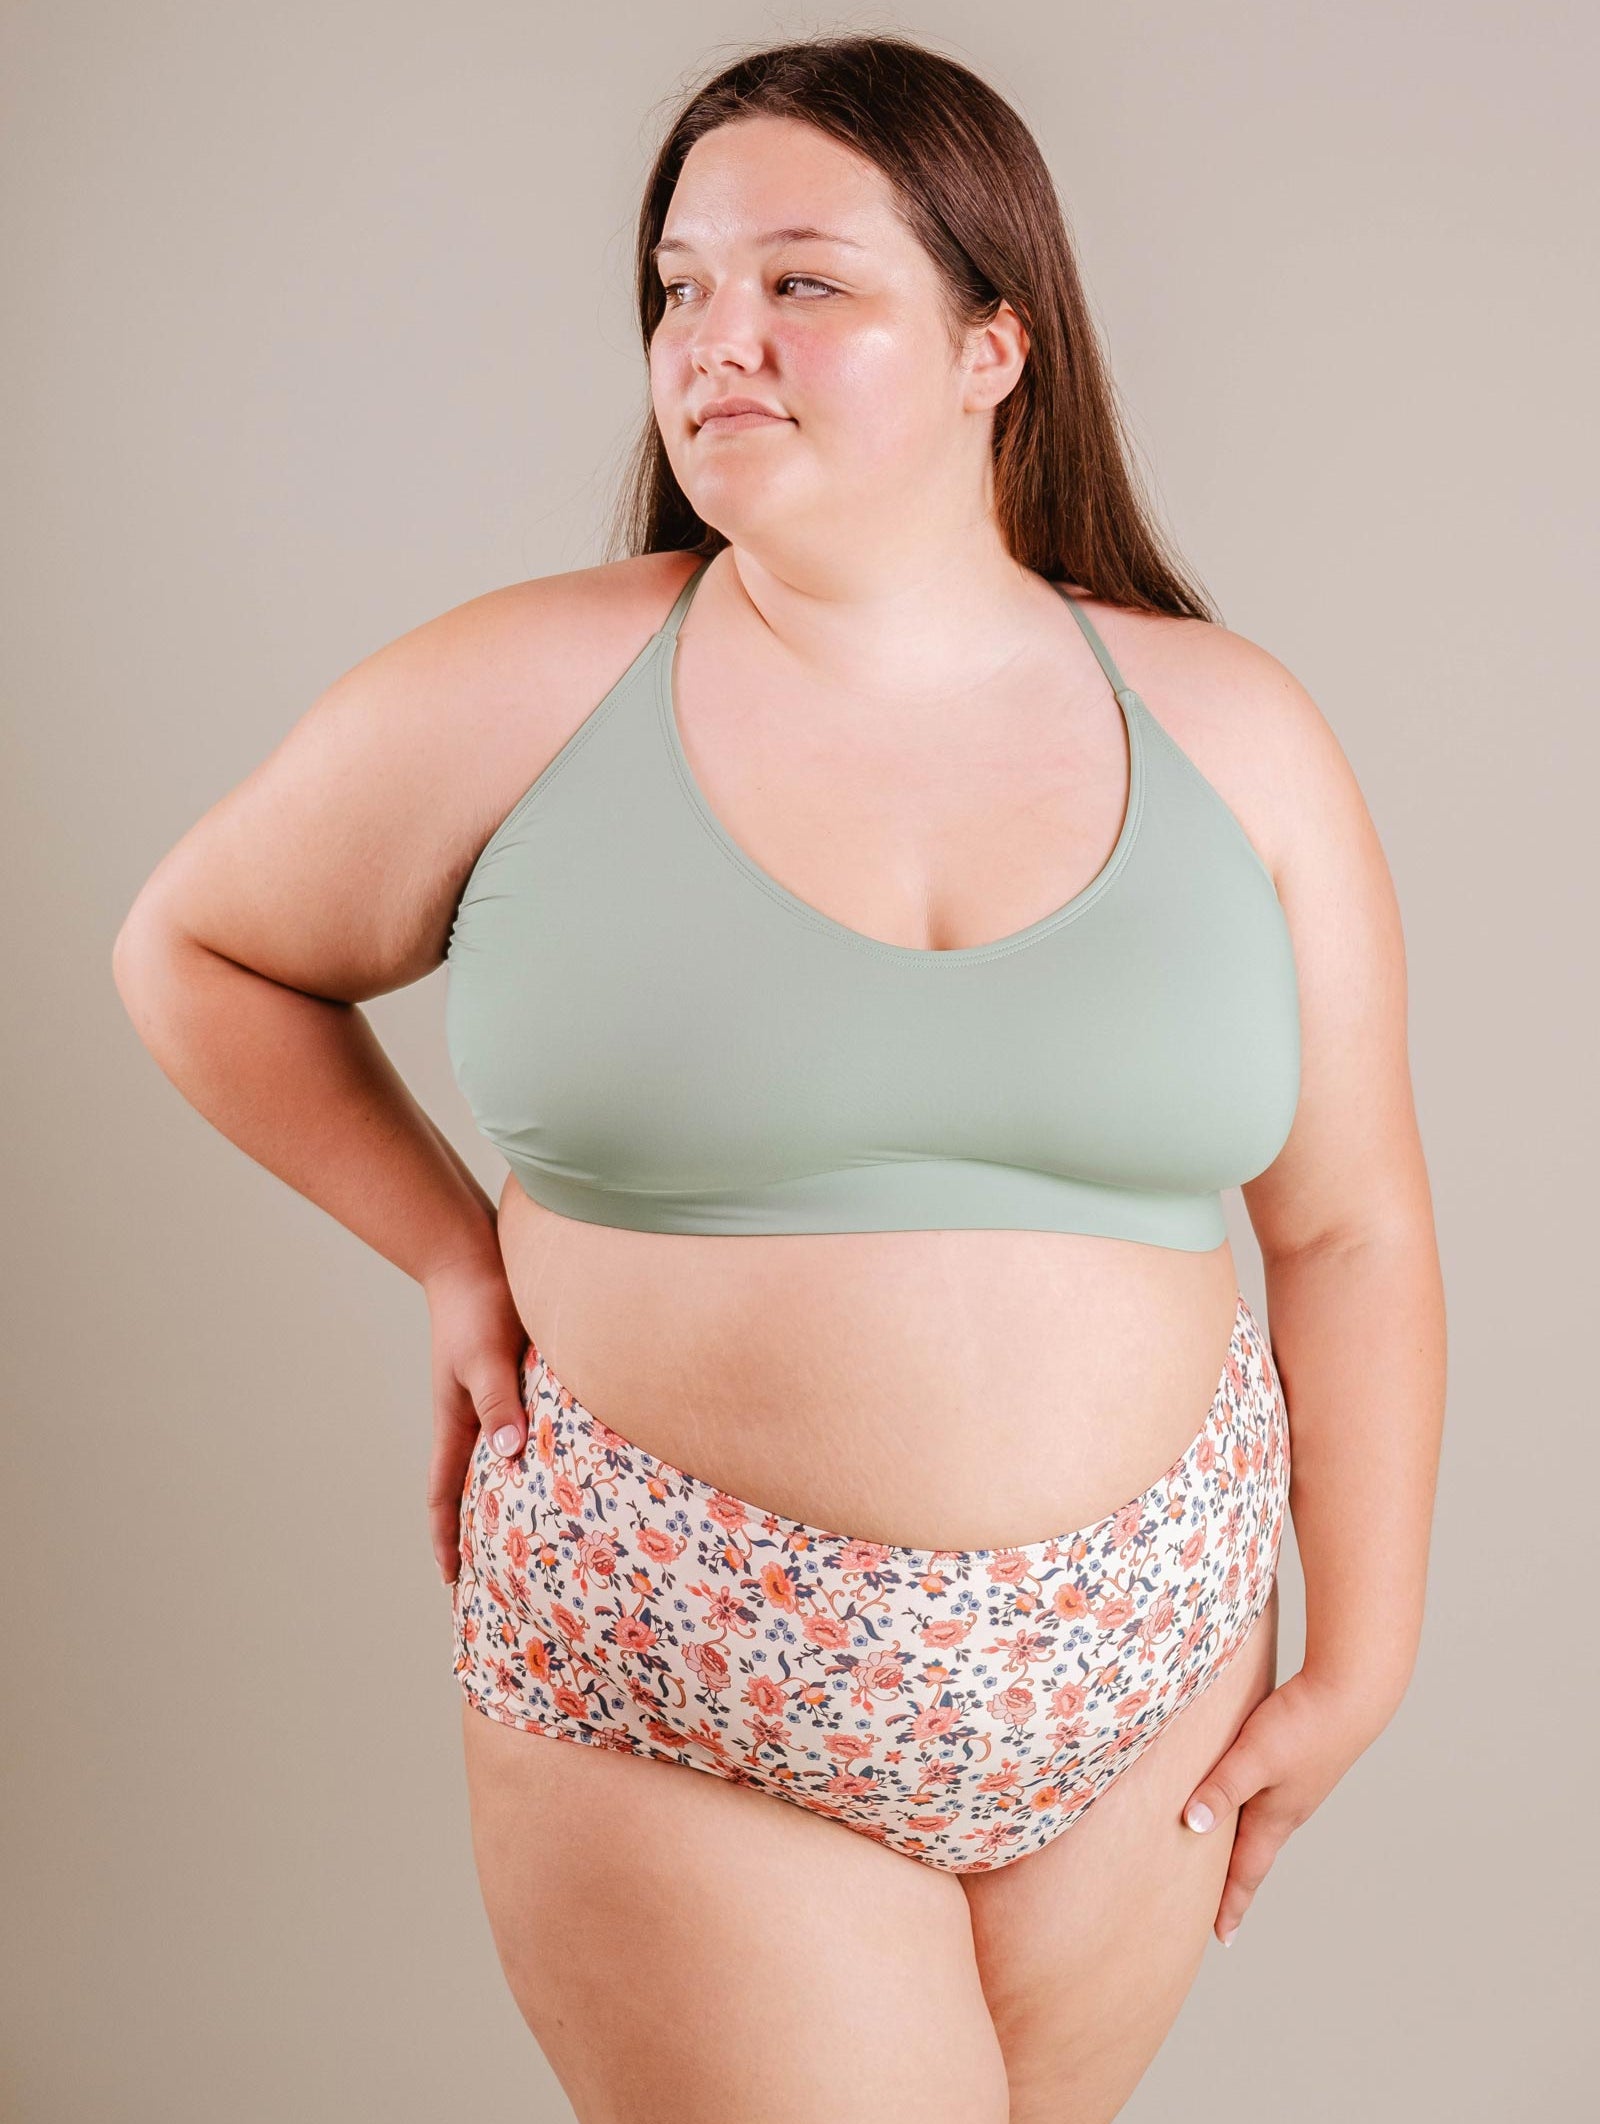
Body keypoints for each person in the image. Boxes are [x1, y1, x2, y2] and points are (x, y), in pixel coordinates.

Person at [111, 31, 1446, 2124]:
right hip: (683, 1670)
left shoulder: (1230, 729)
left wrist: (1358, 1655)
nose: (714, 339)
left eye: (799, 282)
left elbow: (1351, 1222)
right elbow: (192, 950)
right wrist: (456, 1262)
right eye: (678, 287)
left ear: (994, 342)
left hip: (1146, 1663)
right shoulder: (528, 683)